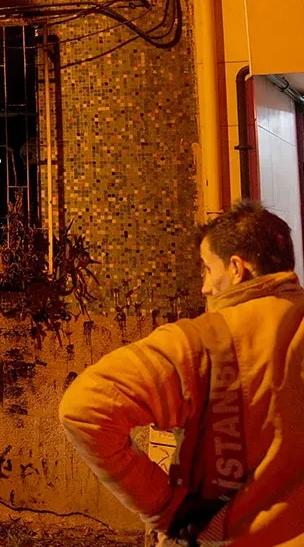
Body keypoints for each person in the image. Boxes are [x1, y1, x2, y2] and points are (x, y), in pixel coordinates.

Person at [60, 201, 304, 547]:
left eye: (207, 269)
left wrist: (165, 507)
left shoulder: (202, 342)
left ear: (237, 269)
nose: (204, 287)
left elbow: (84, 408)